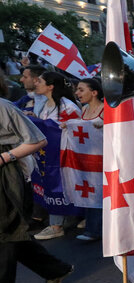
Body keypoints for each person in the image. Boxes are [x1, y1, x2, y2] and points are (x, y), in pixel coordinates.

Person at [0, 97, 75, 283]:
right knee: (14, 237)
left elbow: (38, 140)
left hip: (7, 179)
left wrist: (4, 158)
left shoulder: (3, 107)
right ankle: (55, 270)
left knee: (5, 236)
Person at [32, 71, 82, 241]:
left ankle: (56, 226)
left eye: (39, 80)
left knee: (58, 188)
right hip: (47, 156)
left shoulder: (68, 107)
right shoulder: (45, 105)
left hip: (63, 156)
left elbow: (74, 131)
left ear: (50, 86)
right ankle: (73, 217)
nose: (35, 83)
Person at [74, 78, 105, 241]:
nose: (77, 93)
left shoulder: (106, 110)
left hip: (104, 159)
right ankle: (93, 229)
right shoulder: (84, 109)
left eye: (81, 89)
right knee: (91, 191)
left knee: (99, 192)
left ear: (94, 92)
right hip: (88, 159)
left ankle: (94, 231)